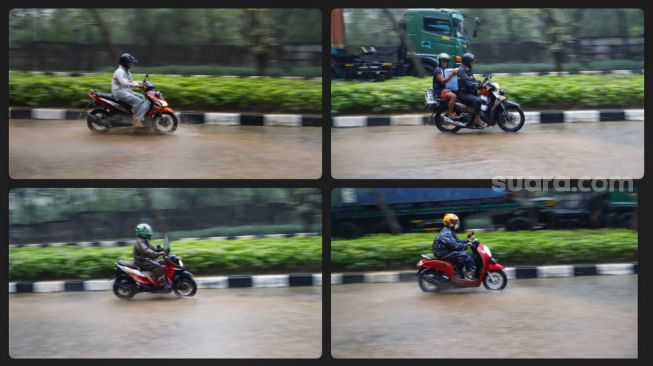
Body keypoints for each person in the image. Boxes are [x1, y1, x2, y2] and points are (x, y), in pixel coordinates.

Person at [432, 213, 477, 280]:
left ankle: (458, 272)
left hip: (446, 251)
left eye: (456, 222)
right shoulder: (446, 233)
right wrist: (467, 245)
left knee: (466, 254)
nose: (456, 223)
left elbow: (457, 241)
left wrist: (468, 241)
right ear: (448, 223)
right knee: (467, 256)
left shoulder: (449, 231)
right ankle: (469, 275)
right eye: (454, 222)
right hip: (443, 253)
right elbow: (455, 246)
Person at [112, 53, 149, 128]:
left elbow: (131, 82)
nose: (132, 64)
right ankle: (136, 120)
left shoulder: (127, 72)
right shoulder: (120, 72)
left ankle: (138, 116)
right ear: (125, 63)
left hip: (125, 91)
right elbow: (125, 82)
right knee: (138, 101)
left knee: (142, 97)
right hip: (120, 93)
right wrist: (138, 85)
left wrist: (141, 83)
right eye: (130, 62)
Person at [133, 223, 170, 291]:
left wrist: (161, 249)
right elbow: (146, 251)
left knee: (162, 262)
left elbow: (152, 249)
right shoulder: (139, 242)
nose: (150, 232)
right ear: (143, 232)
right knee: (157, 266)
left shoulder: (144, 240)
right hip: (141, 261)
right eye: (148, 231)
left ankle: (157, 279)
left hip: (145, 260)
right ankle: (163, 284)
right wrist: (158, 254)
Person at [456, 52, 487, 128]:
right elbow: (469, 84)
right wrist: (480, 86)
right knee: (478, 100)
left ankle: (480, 115)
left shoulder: (466, 69)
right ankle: (477, 120)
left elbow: (473, 80)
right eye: (471, 62)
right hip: (464, 93)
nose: (473, 64)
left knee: (484, 97)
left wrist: (481, 83)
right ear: (467, 62)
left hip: (469, 91)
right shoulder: (462, 71)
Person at [432, 53, 461, 120]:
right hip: (439, 91)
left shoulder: (445, 70)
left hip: (444, 89)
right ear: (439, 61)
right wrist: (452, 74)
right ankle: (450, 114)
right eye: (443, 61)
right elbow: (442, 81)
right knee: (453, 96)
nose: (444, 62)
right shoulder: (438, 70)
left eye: (446, 61)